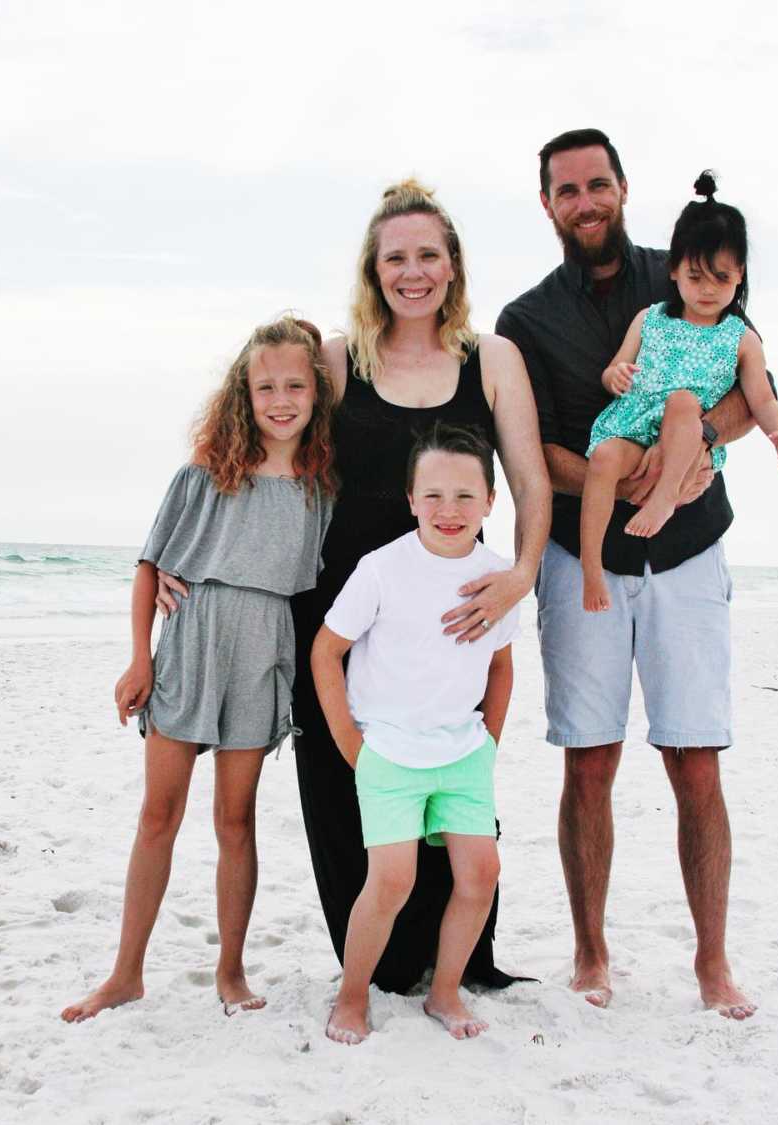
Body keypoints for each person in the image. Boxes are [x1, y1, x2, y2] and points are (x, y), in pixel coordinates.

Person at [160, 180, 550, 992]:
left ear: (453, 266)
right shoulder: (339, 359)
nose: (413, 272)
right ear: (375, 270)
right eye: (395, 257)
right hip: (338, 597)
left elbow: (531, 479)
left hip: (451, 610)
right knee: (343, 781)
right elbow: (256, 428)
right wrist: (180, 547)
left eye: (428, 256)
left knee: (450, 772)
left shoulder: (496, 359)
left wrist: (519, 574)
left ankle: (457, 961)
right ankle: (376, 965)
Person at [496, 129, 763, 1019]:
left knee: (697, 762)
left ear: (622, 187)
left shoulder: (690, 271)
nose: (586, 202)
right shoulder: (525, 320)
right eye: (567, 190)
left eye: (597, 184)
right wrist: (621, 475)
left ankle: (714, 963)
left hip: (690, 556)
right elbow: (527, 449)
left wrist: (704, 446)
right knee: (590, 762)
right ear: (547, 205)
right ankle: (589, 952)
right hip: (585, 559)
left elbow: (754, 390)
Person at [60, 316, 336, 1023]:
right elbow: (151, 567)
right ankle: (125, 972)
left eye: (295, 385)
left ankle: (231, 970)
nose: (280, 399)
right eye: (265, 384)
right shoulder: (204, 474)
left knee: (234, 819)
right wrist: (138, 657)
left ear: (317, 392)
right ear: (243, 393)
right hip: (189, 645)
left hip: (261, 651)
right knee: (159, 813)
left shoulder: (321, 487)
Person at [311, 424, 519, 1044]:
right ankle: (352, 997)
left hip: (463, 750)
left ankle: (445, 991)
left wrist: (491, 741)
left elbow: (502, 665)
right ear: (409, 500)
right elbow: (326, 653)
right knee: (393, 879)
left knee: (480, 874)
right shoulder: (381, 569)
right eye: (432, 495)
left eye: (464, 496)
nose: (448, 510)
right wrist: (352, 743)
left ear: (490, 502)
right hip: (389, 751)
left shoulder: (499, 575)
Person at [580, 171, 778, 611]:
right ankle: (590, 569)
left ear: (739, 276)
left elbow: (762, 397)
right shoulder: (650, 319)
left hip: (684, 438)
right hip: (634, 426)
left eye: (721, 277)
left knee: (683, 401)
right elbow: (614, 369)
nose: (708, 288)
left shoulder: (741, 338)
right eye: (696, 277)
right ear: (674, 271)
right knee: (601, 460)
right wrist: (615, 376)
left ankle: (663, 500)